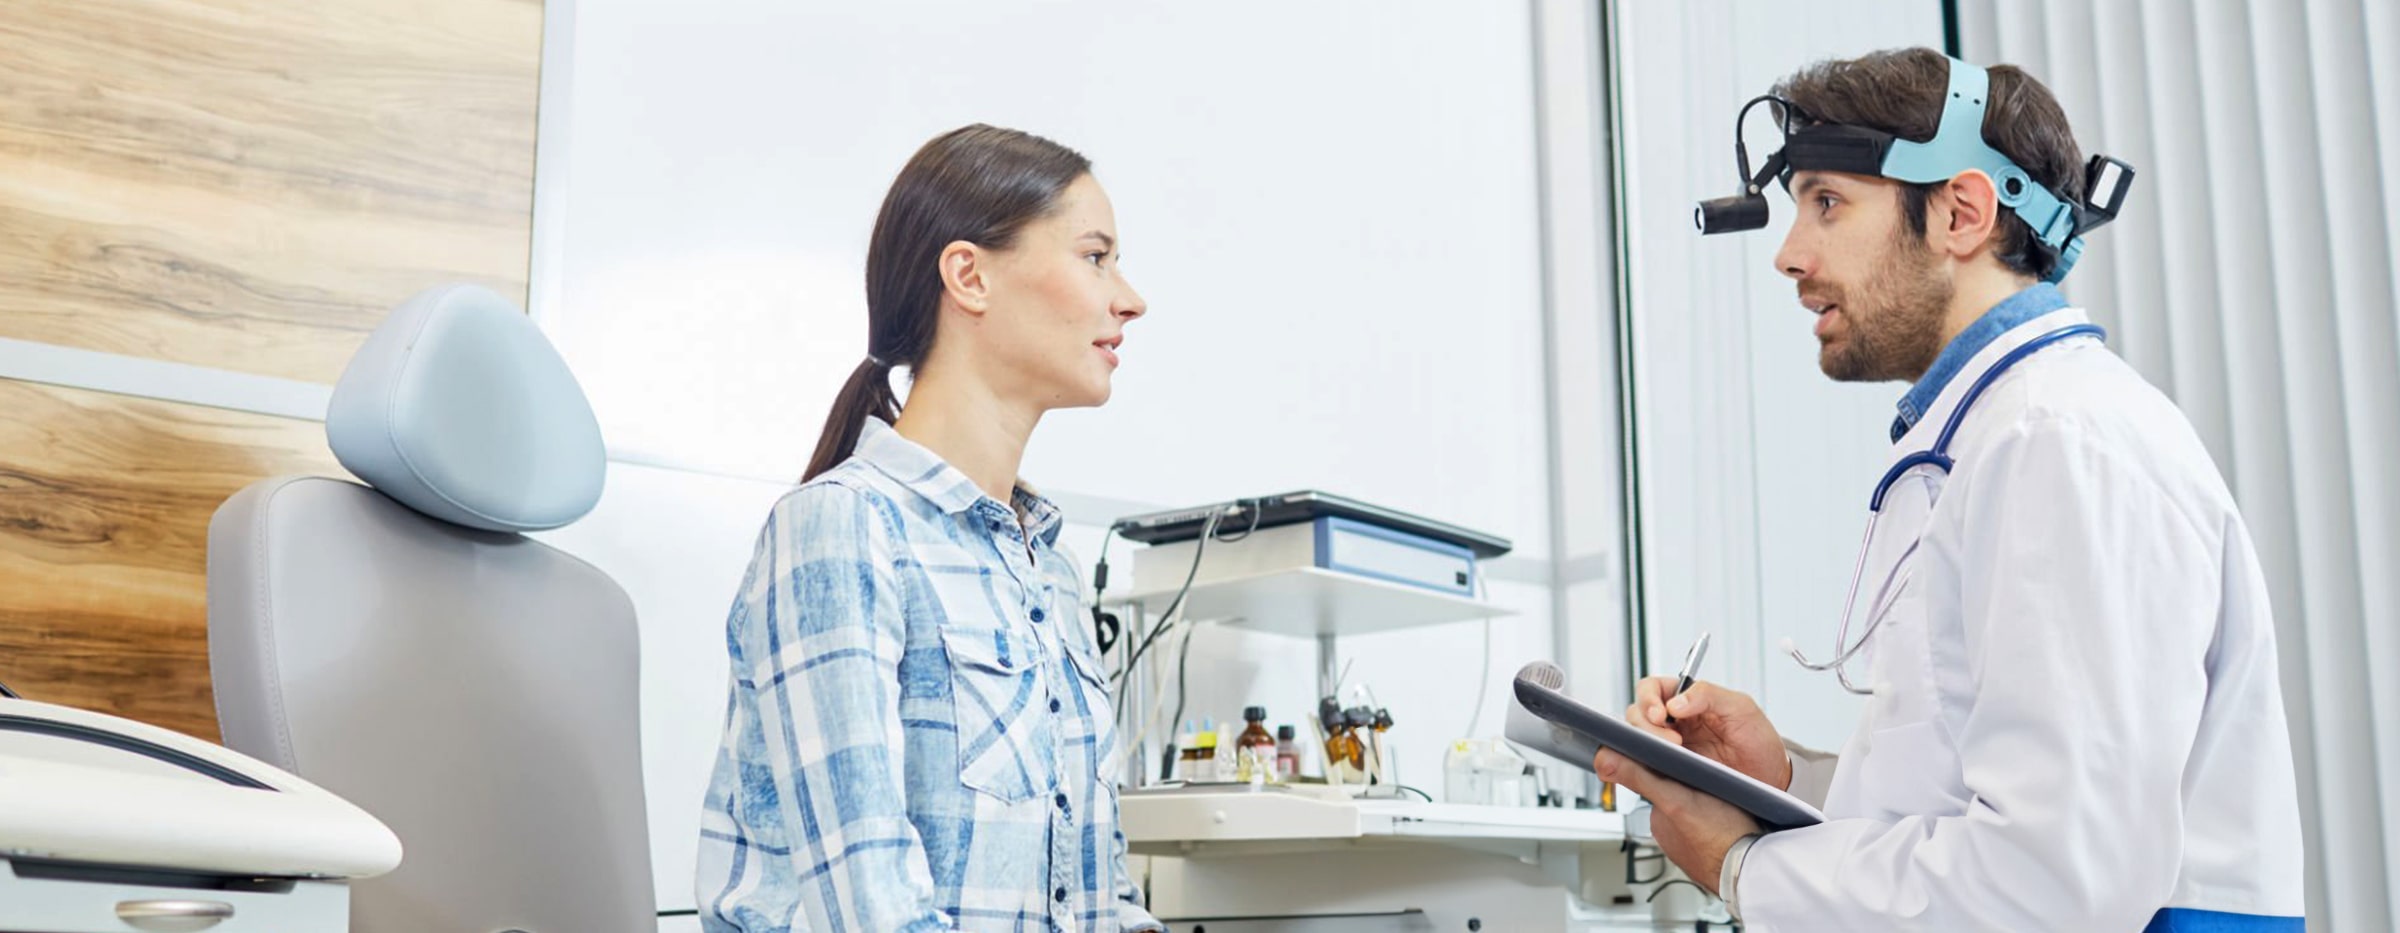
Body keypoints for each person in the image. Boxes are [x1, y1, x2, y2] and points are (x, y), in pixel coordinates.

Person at [1599, 49, 2306, 931]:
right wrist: (1783, 778)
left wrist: (1744, 867)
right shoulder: (2002, 437)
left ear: (1961, 213)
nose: (1788, 255)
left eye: (1827, 202)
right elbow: (1966, 802)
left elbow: (2054, 882)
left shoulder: (2058, 442)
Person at [696, 124, 1162, 932]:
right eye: (1095, 256)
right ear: (969, 275)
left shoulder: (1049, 570)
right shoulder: (843, 528)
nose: (1129, 297)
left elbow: (1105, 903)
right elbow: (872, 911)